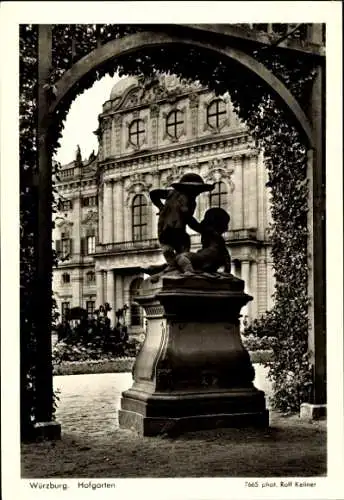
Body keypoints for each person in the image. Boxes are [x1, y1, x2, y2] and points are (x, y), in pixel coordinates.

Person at [149, 173, 214, 269]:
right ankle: (178, 268)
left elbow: (153, 194)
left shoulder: (171, 193)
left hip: (164, 230)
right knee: (182, 253)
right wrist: (202, 230)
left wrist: (161, 207)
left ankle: (171, 266)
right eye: (197, 190)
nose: (198, 193)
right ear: (189, 188)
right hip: (176, 231)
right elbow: (189, 219)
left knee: (171, 252)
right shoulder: (188, 200)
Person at [176, 207, 232, 274]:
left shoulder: (209, 231)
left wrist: (185, 214)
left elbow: (194, 225)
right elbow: (226, 255)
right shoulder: (218, 238)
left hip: (207, 257)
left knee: (182, 257)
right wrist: (227, 270)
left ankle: (190, 273)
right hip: (214, 260)